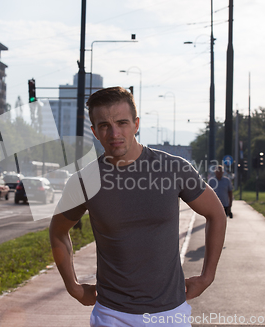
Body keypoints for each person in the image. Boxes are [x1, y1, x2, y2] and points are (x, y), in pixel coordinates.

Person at [49, 86, 227, 326]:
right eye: (104, 126)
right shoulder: (84, 181)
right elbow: (58, 231)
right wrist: (73, 287)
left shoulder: (173, 168)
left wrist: (208, 276)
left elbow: (216, 213)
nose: (114, 133)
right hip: (111, 315)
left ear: (136, 124)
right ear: (94, 131)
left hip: (170, 313)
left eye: (122, 123)